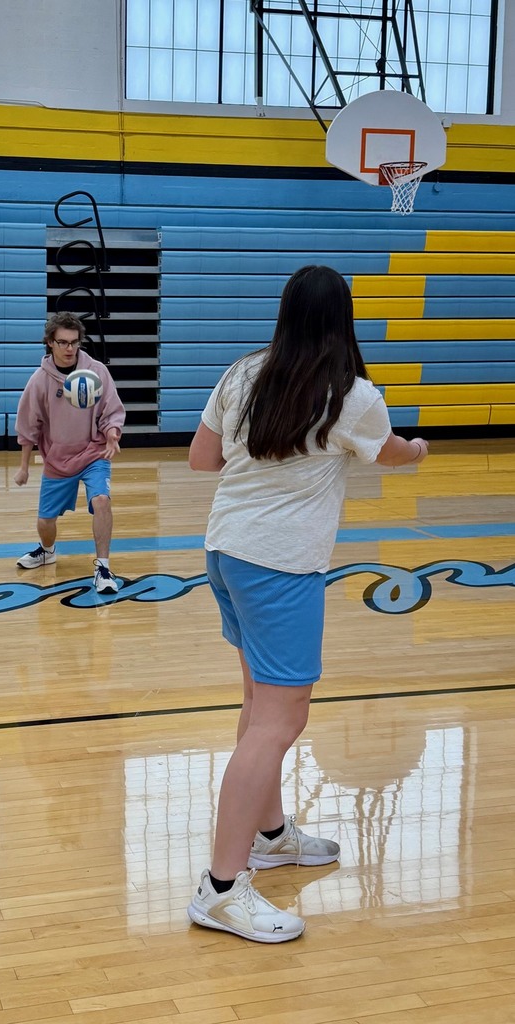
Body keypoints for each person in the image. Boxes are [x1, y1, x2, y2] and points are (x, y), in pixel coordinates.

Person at [186, 265, 429, 943]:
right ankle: (222, 889)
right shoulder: (353, 395)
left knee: (258, 706)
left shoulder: (241, 374)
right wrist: (416, 447)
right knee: (278, 723)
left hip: (227, 552)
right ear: (342, 320)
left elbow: (201, 460)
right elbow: (393, 456)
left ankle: (269, 836)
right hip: (279, 568)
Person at [14, 311, 125, 593]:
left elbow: (111, 411)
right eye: (62, 342)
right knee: (45, 521)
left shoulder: (97, 372)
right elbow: (28, 424)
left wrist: (112, 434)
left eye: (74, 342)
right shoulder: (40, 380)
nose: (69, 349)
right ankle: (47, 550)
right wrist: (24, 466)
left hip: (93, 453)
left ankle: (103, 567)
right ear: (50, 342)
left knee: (101, 500)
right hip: (58, 458)